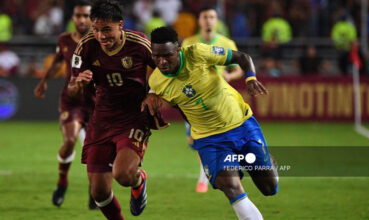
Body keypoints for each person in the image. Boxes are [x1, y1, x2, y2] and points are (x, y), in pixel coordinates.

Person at [144, 27, 279, 220]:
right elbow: (182, 107)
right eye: (156, 56)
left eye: (167, 55)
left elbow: (242, 57)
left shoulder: (198, 53)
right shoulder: (157, 82)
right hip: (210, 140)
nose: (162, 62)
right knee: (230, 187)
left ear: (178, 49)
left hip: (241, 124)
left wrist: (250, 78)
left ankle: (268, 159)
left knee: (269, 188)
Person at [67, 1, 167, 219]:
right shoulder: (85, 46)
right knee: (98, 192)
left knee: (122, 174)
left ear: (120, 25)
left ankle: (138, 180)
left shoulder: (140, 44)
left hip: (134, 116)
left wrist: (154, 92)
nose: (101, 36)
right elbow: (72, 89)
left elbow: (166, 69)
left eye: (106, 30)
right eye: (96, 29)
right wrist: (79, 84)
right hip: (102, 118)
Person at [33, 0, 96, 209]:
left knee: (95, 150)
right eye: (78, 16)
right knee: (69, 140)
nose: (82, 19)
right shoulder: (64, 40)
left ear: (92, 18)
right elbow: (59, 61)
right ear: (73, 18)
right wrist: (44, 81)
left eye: (86, 16)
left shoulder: (100, 41)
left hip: (96, 102)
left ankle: (95, 190)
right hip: (72, 101)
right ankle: (62, 182)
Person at [181, 6, 244, 193]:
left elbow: (239, 67)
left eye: (212, 17)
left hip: (220, 101)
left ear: (216, 21)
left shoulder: (226, 43)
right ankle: (210, 171)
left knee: (218, 139)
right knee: (194, 142)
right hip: (195, 102)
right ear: (199, 21)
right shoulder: (188, 43)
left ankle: (205, 176)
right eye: (205, 17)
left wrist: (230, 77)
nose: (208, 20)